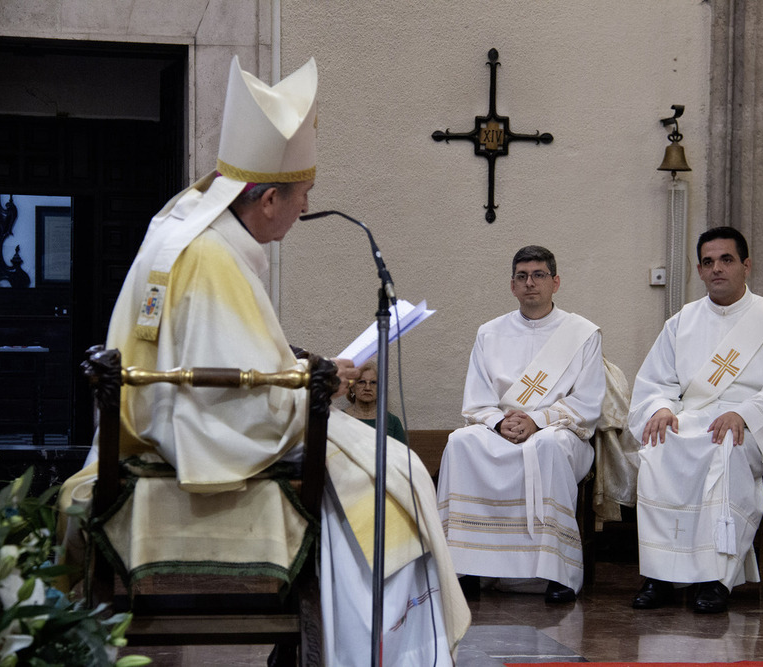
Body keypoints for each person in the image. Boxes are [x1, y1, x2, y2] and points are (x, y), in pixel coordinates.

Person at [58, 55, 469, 665]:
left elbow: (223, 361)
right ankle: (372, 647)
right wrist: (315, 388)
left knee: (388, 464)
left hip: (158, 427)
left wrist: (308, 371)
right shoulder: (214, 258)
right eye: (304, 195)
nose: (307, 208)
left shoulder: (187, 227)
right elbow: (245, 414)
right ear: (269, 197)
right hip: (195, 445)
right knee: (398, 472)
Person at [627, 226, 763, 614]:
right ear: (699, 271)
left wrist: (743, 414)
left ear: (746, 266)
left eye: (726, 259)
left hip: (755, 429)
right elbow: (654, 381)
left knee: (726, 449)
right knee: (658, 446)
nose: (717, 268)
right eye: (708, 262)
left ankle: (716, 576)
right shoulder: (681, 322)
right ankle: (661, 573)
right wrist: (661, 408)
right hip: (695, 420)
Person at [436, 245, 606, 603]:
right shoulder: (490, 333)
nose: (531, 283)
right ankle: (464, 568)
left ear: (555, 282)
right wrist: (500, 424)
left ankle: (556, 572)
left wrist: (538, 420)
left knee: (550, 446)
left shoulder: (583, 334)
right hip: (502, 429)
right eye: (522, 276)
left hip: (559, 432)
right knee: (460, 442)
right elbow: (477, 400)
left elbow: (587, 403)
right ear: (512, 286)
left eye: (539, 275)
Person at [343, 359, 407, 443]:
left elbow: (402, 455)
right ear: (352, 387)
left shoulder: (392, 421)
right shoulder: (339, 418)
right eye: (362, 382)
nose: (367, 388)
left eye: (373, 383)